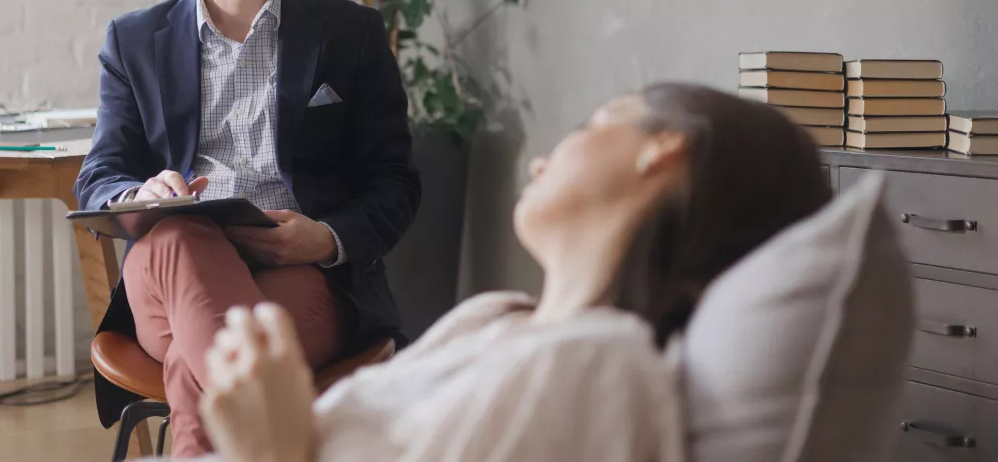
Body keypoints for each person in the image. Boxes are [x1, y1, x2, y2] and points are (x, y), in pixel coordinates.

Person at [195, 83, 833, 462]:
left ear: (662, 152)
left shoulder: (599, 362)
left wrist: (271, 449)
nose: (543, 158)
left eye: (594, 125)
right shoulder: (491, 316)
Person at [74, 0, 421, 457]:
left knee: (192, 365)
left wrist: (327, 237)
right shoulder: (134, 42)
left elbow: (393, 182)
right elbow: (100, 175)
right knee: (179, 231)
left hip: (301, 273)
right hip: (167, 274)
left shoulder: (352, 36)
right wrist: (141, 192)